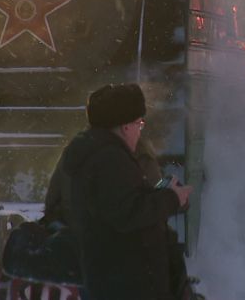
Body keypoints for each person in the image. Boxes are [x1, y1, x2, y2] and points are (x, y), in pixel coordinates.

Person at [59, 83, 192, 300]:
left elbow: (121, 203)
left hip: (112, 279)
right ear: (125, 127)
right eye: (139, 123)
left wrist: (160, 195)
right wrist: (172, 198)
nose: (140, 131)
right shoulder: (111, 159)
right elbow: (128, 213)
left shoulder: (95, 153)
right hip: (128, 283)